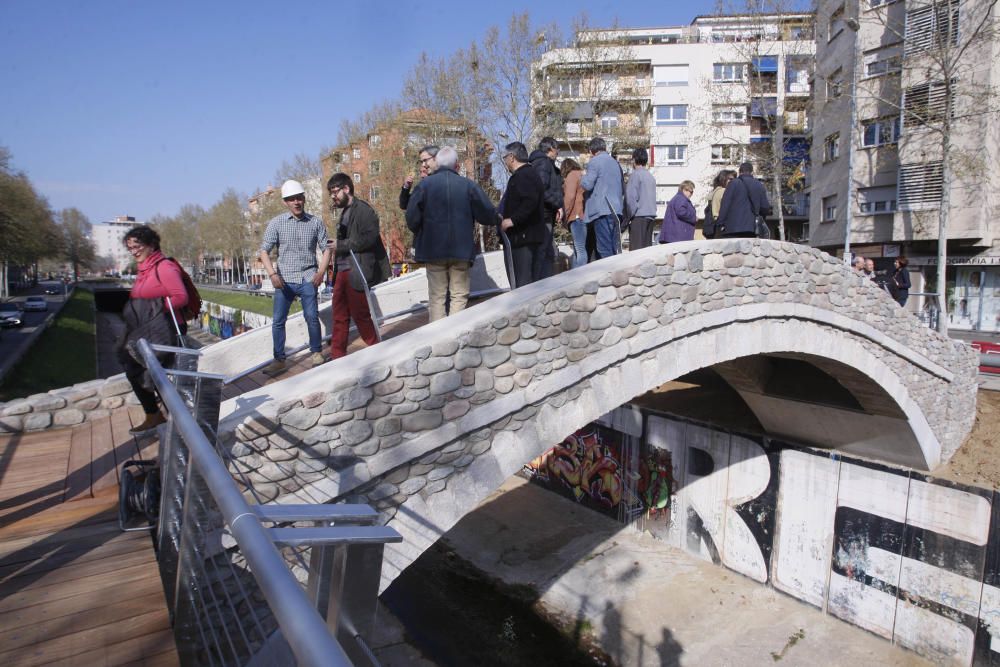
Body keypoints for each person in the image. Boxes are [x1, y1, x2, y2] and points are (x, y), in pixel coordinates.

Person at [406, 146, 497, 321]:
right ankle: (456, 331)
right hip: (461, 250)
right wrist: (499, 219)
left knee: (437, 297)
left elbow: (411, 218)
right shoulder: (469, 186)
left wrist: (422, 231)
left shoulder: (424, 186)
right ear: (457, 165)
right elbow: (487, 214)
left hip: (433, 250)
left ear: (438, 163)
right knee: (459, 296)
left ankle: (439, 335)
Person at [119, 225, 188, 434]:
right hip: (146, 330)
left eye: (137, 246)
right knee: (134, 369)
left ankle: (179, 422)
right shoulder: (143, 270)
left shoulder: (164, 267)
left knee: (158, 375)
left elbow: (180, 296)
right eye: (130, 248)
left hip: (165, 330)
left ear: (151, 244)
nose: (133, 251)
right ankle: (155, 415)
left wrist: (154, 309)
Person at [259, 179, 331, 375]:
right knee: (278, 320)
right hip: (284, 281)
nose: (296, 202)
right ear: (285, 202)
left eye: (299, 198)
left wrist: (321, 272)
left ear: (304, 199)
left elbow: (327, 248)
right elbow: (264, 251)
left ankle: (317, 353)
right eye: (291, 199)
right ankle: (279, 360)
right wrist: (272, 274)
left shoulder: (316, 222)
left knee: (312, 317)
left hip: (308, 277)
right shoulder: (276, 223)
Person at [327, 172, 390, 358]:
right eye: (331, 193)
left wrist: (341, 245)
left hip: (357, 270)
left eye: (335, 192)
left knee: (360, 315)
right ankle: (337, 356)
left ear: (346, 189)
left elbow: (369, 238)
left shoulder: (364, 210)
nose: (333, 197)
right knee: (339, 315)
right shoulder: (345, 212)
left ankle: (377, 350)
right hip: (342, 271)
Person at [499, 141, 546, 287]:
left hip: (523, 238)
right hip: (525, 237)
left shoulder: (524, 175)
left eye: (505, 158)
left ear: (512, 157)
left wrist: (512, 220)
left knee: (523, 285)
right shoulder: (528, 174)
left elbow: (530, 201)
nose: (505, 162)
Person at [580, 137, 624, 259]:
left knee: (603, 249)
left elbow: (587, 185)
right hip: (616, 210)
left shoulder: (595, 162)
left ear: (591, 150)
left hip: (602, 210)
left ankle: (609, 271)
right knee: (613, 248)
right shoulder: (615, 163)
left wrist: (582, 177)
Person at [528, 137, 564, 279]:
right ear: (550, 149)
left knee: (547, 253)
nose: (558, 152)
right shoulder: (543, 163)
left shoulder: (540, 163)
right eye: (557, 149)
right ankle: (540, 286)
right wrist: (558, 205)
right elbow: (542, 189)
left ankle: (544, 284)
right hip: (543, 215)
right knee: (543, 253)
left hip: (545, 214)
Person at [715, 162, 772, 238]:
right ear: (752, 172)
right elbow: (765, 208)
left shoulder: (733, 183)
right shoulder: (759, 185)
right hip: (751, 229)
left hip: (732, 228)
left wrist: (720, 223)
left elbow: (725, 204)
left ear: (740, 171)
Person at [625, 147, 657, 250]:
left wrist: (628, 218)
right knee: (646, 252)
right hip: (650, 217)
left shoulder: (635, 175)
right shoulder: (650, 177)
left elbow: (631, 200)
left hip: (639, 217)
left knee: (636, 252)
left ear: (634, 160)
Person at [561, 158, 588, 268]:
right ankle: (575, 274)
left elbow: (570, 197)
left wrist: (564, 214)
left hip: (576, 216)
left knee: (580, 249)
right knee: (578, 249)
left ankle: (581, 274)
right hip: (583, 215)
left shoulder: (571, 175)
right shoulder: (582, 174)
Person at [399, 145, 438, 211]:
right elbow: (404, 205)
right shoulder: (421, 188)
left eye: (425, 172)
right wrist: (406, 186)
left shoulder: (442, 183)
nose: (422, 175)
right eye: (421, 172)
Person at [705, 170, 736, 239]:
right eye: (730, 179)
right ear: (723, 179)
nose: (733, 182)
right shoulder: (723, 192)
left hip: (715, 227)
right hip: (722, 227)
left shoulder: (716, 191)